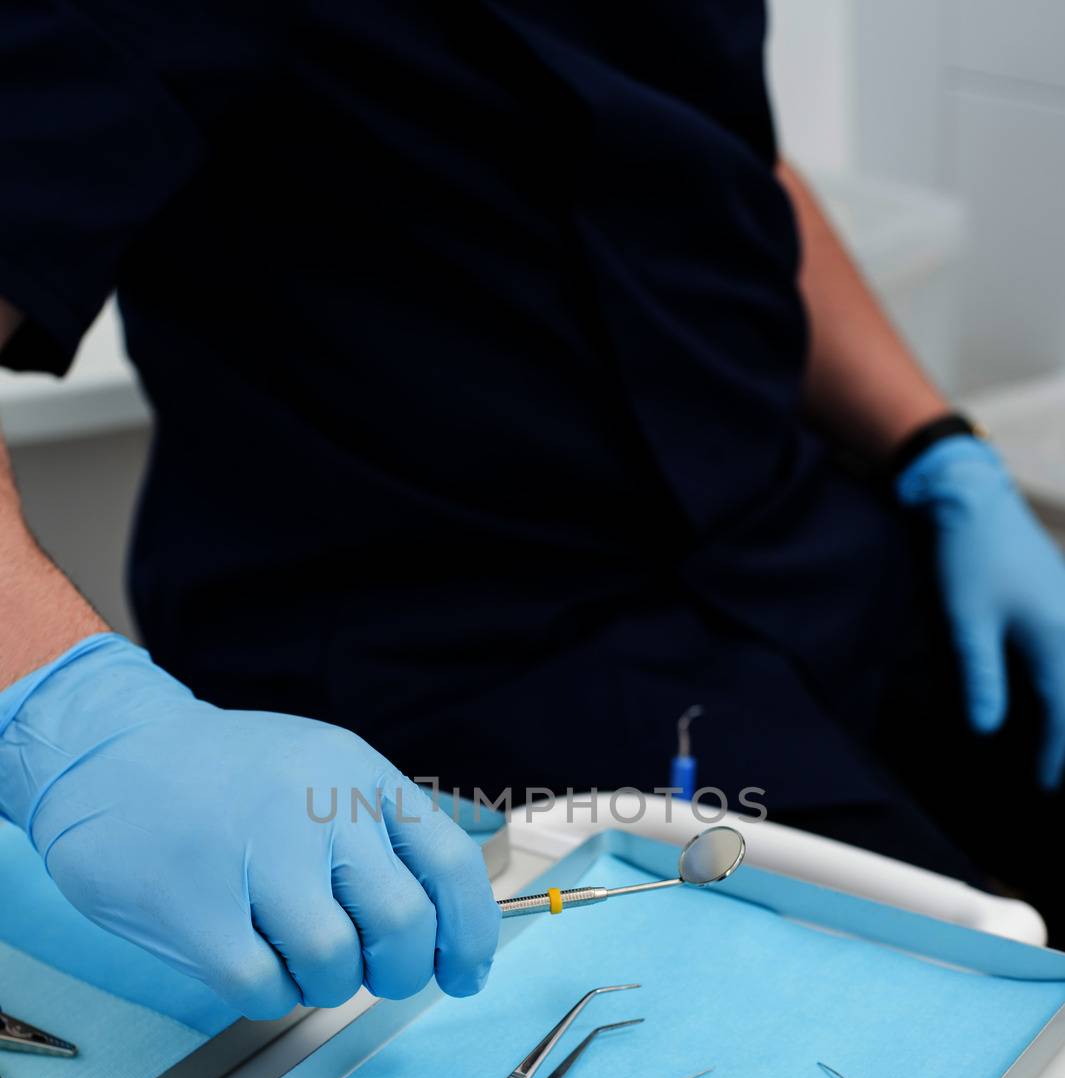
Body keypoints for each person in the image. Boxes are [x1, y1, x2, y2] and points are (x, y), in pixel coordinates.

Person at [2, 1, 1065, 1023]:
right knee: (944, 1045)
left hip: (800, 546)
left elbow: (720, 154)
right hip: (459, 671)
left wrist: (937, 445)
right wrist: (69, 713)